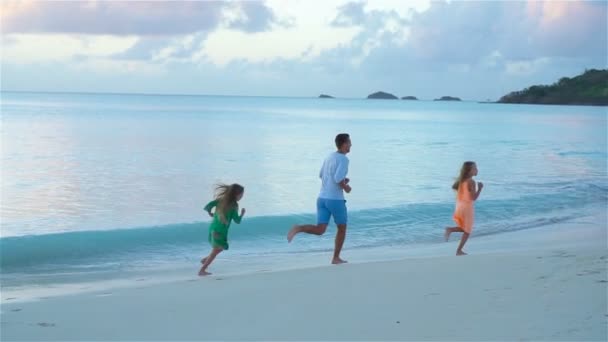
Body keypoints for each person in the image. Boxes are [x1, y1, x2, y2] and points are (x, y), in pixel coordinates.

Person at [287, 133, 352, 264]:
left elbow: (322, 175)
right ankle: (336, 258)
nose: (351, 145)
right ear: (344, 144)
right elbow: (337, 178)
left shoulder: (329, 156)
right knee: (342, 228)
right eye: (349, 142)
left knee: (320, 229)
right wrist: (346, 187)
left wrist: (341, 181)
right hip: (335, 200)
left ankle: (298, 228)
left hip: (322, 198)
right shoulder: (344, 160)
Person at [198, 183, 246, 276]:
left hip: (214, 227)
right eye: (241, 195)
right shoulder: (234, 206)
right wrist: (242, 214)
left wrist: (210, 213)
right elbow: (237, 221)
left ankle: (205, 260)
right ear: (236, 195)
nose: (242, 197)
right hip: (220, 231)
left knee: (220, 248)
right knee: (216, 251)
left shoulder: (221, 200)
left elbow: (208, 205)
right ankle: (202, 270)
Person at [444, 161, 483, 255]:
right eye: (474, 168)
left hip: (459, 206)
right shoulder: (471, 182)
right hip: (467, 207)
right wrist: (480, 188)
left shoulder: (462, 181)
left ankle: (450, 229)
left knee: (465, 228)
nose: (477, 169)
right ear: (469, 171)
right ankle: (459, 250)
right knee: (468, 230)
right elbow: (473, 198)